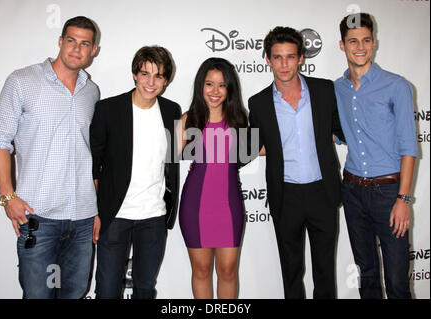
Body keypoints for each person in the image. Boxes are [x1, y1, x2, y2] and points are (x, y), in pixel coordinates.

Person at [0, 16, 100, 299]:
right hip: (39, 218)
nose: (77, 48)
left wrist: (96, 209)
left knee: (74, 293)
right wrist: (7, 196)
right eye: (71, 40)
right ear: (60, 42)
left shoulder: (92, 92)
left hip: (83, 219)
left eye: (85, 43)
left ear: (94, 50)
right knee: (38, 295)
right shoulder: (23, 81)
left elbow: (91, 155)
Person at [247, 26, 345, 299]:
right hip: (285, 195)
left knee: (325, 270)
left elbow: (341, 129)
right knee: (291, 271)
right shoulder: (258, 103)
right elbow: (254, 146)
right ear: (267, 59)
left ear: (301, 57)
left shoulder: (325, 90)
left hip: (322, 192)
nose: (284, 64)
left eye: (290, 56)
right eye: (277, 57)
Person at [334, 13, 417, 299]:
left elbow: (409, 148)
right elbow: (334, 131)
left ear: (374, 43)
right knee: (366, 274)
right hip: (353, 191)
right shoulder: (337, 89)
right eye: (353, 41)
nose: (360, 46)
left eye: (366, 40)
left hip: (389, 193)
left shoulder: (397, 86)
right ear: (342, 45)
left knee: (396, 281)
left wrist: (403, 199)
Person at [90, 46, 181, 299]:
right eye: (145, 74)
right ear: (134, 74)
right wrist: (94, 212)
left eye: (159, 76)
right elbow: (93, 165)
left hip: (153, 217)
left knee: (144, 289)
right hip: (114, 216)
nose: (151, 82)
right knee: (107, 291)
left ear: (166, 80)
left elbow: (172, 160)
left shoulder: (171, 111)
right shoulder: (108, 110)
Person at [178, 57, 248, 299]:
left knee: (228, 271)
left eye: (221, 84)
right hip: (195, 205)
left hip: (229, 206)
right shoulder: (188, 119)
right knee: (201, 270)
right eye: (209, 84)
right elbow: (169, 155)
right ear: (201, 86)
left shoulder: (240, 120)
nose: (215, 91)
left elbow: (258, 148)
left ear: (230, 88)